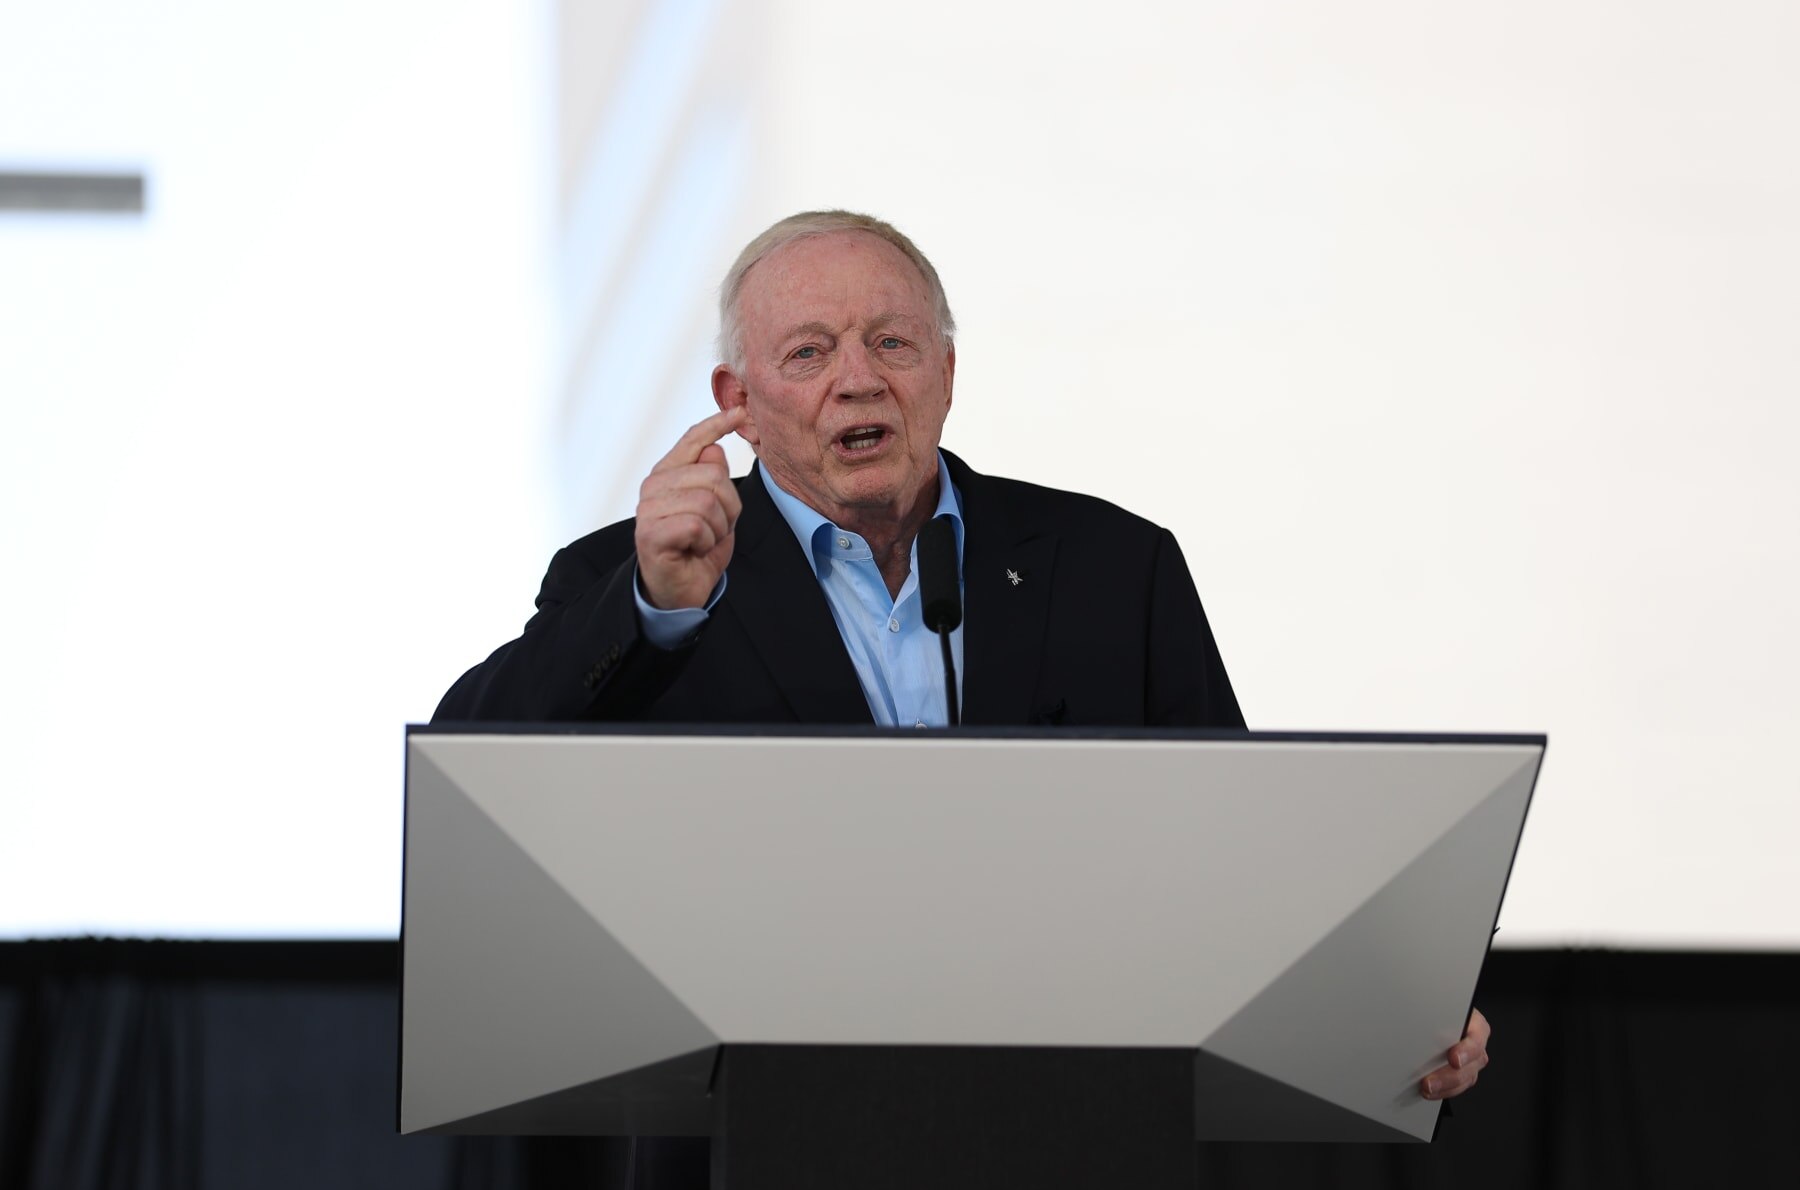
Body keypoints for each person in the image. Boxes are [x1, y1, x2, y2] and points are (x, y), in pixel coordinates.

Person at [432, 209, 1489, 1101]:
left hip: (1071, 1128)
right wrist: (655, 608)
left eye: (892, 343)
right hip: (764, 1133)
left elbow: (1235, 851)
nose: (859, 381)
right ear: (736, 405)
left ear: (946, 371)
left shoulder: (1114, 568)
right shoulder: (648, 574)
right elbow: (473, 779)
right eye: (808, 353)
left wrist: (1380, 1007)